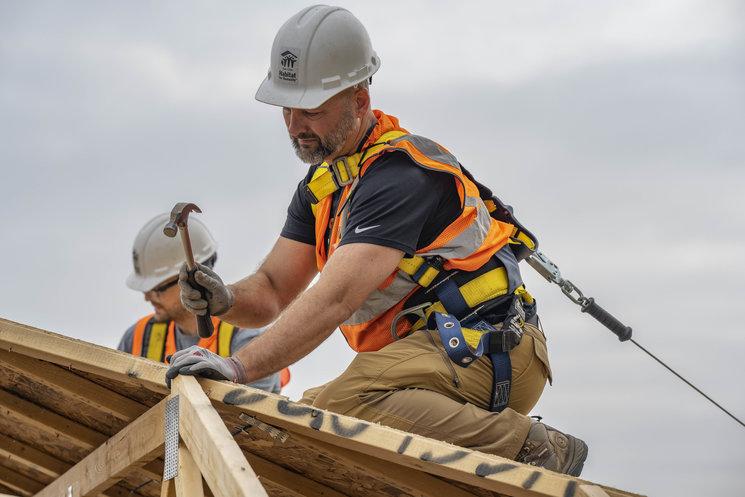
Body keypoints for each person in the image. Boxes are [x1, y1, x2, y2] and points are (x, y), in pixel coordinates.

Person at [166, 5, 587, 475]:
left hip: (492, 348)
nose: (293, 126)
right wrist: (224, 299)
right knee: (305, 414)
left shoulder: (398, 177)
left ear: (360, 100)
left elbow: (335, 299)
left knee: (341, 411)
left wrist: (238, 368)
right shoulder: (324, 186)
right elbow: (271, 290)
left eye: (311, 110)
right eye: (286, 108)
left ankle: (531, 446)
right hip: (433, 356)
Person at [119, 213, 287, 393]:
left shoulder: (245, 337)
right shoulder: (138, 337)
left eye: (157, 289)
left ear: (190, 279)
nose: (147, 297)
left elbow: (253, 408)